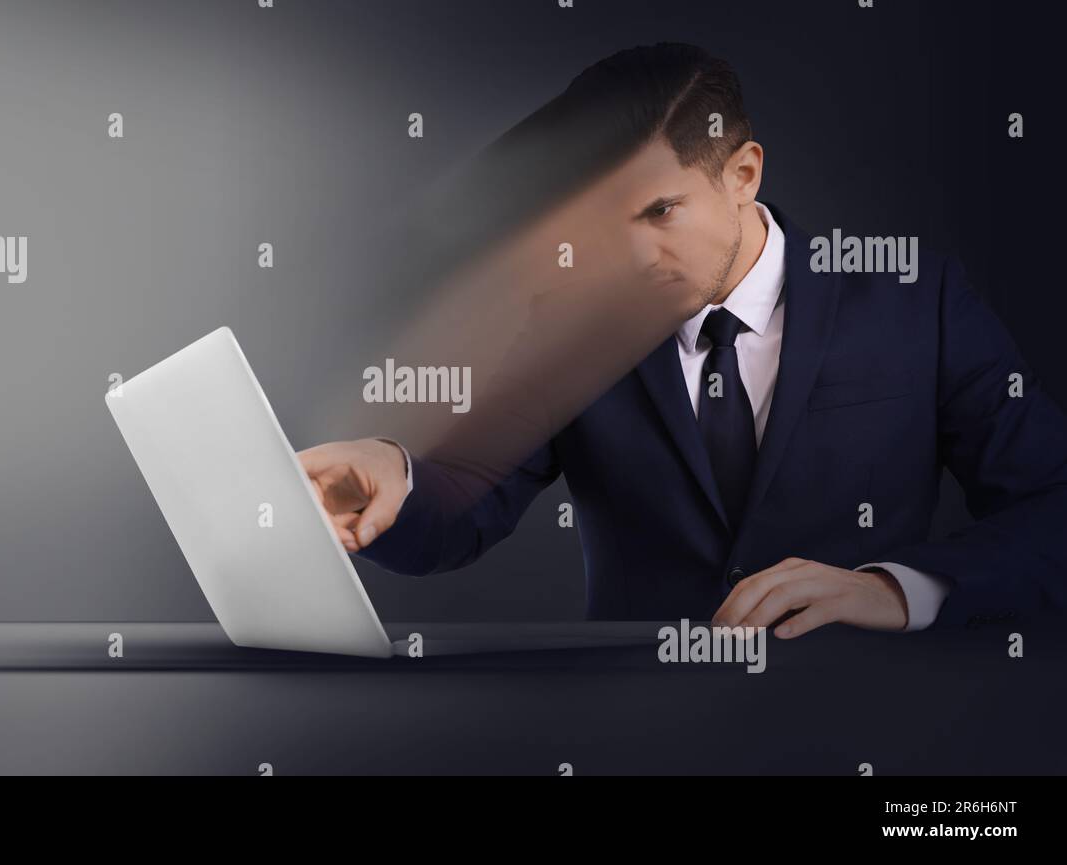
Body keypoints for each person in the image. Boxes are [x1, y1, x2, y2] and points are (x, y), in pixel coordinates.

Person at [297, 43, 1067, 638]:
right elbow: (467, 503)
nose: (631, 258)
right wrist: (397, 482)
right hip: (639, 738)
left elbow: (1050, 507)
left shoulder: (916, 300)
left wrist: (892, 589)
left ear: (743, 173)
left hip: (863, 723)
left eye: (660, 211)